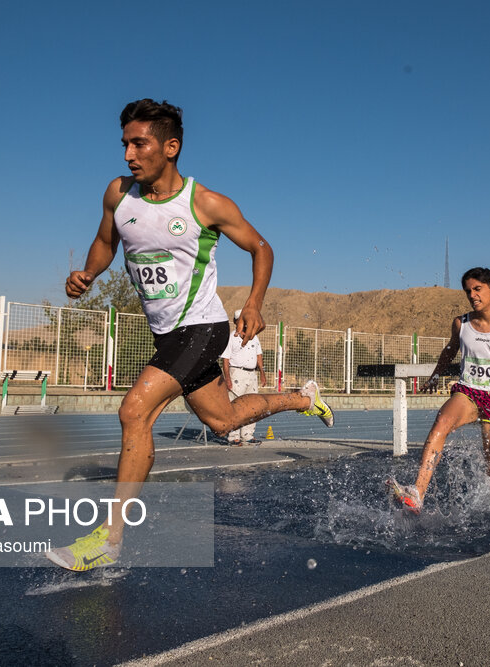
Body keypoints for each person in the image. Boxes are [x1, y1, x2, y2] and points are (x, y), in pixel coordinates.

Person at [45, 99, 333, 571]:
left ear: (170, 146)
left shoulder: (205, 203)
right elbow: (106, 241)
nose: (128, 155)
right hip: (167, 335)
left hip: (202, 327)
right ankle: (304, 399)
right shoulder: (118, 195)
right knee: (223, 422)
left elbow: (261, 248)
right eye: (125, 144)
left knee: (134, 410)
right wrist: (89, 274)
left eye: (140, 144)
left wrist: (255, 302)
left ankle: (109, 539)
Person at [385, 267, 490, 514]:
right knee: (442, 422)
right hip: (469, 391)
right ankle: (418, 492)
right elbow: (450, 350)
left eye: (477, 289)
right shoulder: (462, 323)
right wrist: (436, 375)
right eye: (468, 291)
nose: (472, 295)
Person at [221, 309, 268, 444]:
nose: (245, 323)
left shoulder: (254, 337)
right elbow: (225, 359)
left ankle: (247, 435)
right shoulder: (231, 337)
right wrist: (228, 378)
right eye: (241, 320)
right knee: (235, 405)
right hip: (237, 372)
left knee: (252, 405)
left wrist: (262, 374)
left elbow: (259, 356)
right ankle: (233, 436)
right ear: (236, 321)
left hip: (252, 373)